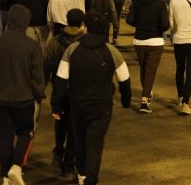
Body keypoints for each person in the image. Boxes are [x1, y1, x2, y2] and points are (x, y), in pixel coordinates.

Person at [51, 11, 131, 185]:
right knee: (94, 146)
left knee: (79, 142)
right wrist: (126, 101)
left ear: (85, 27)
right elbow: (124, 79)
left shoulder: (73, 49)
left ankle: (81, 175)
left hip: (78, 106)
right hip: (102, 108)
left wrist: (56, 105)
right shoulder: (112, 51)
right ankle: (90, 179)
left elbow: (60, 79)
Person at [0, 4, 46, 185]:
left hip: (1, 97)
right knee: (25, 133)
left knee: (4, 138)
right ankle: (16, 166)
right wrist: (38, 95)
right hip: (24, 98)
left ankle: (5, 177)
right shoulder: (32, 46)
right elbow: (37, 75)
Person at [43, 9, 85, 178]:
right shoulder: (84, 43)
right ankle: (69, 162)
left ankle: (58, 150)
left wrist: (42, 86)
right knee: (75, 127)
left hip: (59, 89)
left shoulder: (55, 42)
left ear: (67, 21)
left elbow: (46, 65)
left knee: (60, 121)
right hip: (78, 91)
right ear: (82, 23)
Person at [129, 0, 169, 114]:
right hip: (155, 41)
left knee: (143, 68)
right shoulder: (161, 4)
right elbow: (165, 25)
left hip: (139, 40)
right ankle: (144, 101)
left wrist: (140, 24)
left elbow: (130, 20)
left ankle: (147, 91)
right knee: (150, 70)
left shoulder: (137, 2)